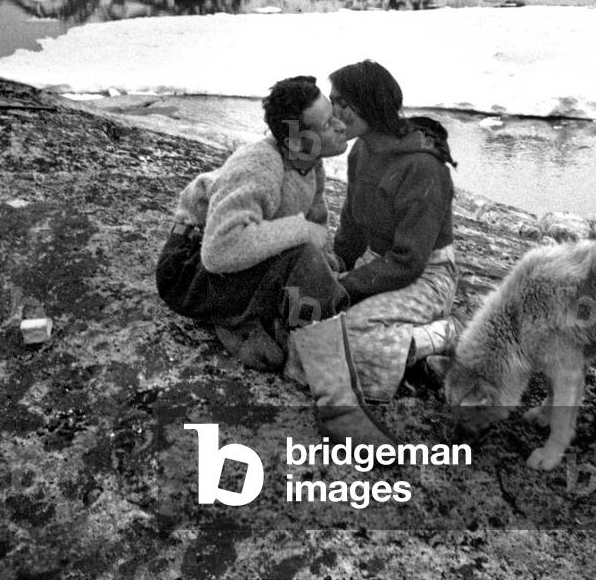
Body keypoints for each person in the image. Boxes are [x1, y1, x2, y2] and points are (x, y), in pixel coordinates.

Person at [287, 59, 459, 404]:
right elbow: (352, 221)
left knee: (344, 336)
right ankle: (402, 345)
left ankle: (443, 335)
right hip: (380, 266)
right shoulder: (361, 150)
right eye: (333, 100)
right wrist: (337, 263)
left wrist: (346, 287)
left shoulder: (424, 167)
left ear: (371, 105)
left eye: (343, 104)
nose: (333, 112)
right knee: (303, 319)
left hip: (426, 275)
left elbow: (409, 260)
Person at [155, 75, 350, 372]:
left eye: (333, 115)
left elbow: (315, 220)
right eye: (326, 124)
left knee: (312, 263)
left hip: (230, 267)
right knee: (302, 256)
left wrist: (325, 262)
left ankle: (246, 320)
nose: (340, 126)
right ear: (297, 139)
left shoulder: (308, 160)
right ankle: (236, 320)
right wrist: (301, 232)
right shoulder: (261, 164)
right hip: (188, 272)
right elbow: (219, 251)